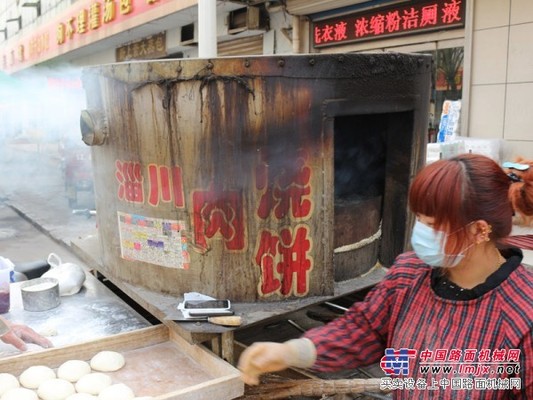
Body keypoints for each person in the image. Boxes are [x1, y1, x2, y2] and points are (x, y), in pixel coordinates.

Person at [238, 153, 533, 399]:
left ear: (479, 230)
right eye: (419, 220)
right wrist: (295, 352)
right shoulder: (409, 274)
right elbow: (365, 328)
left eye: (432, 224)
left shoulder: (522, 316)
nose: (421, 233)